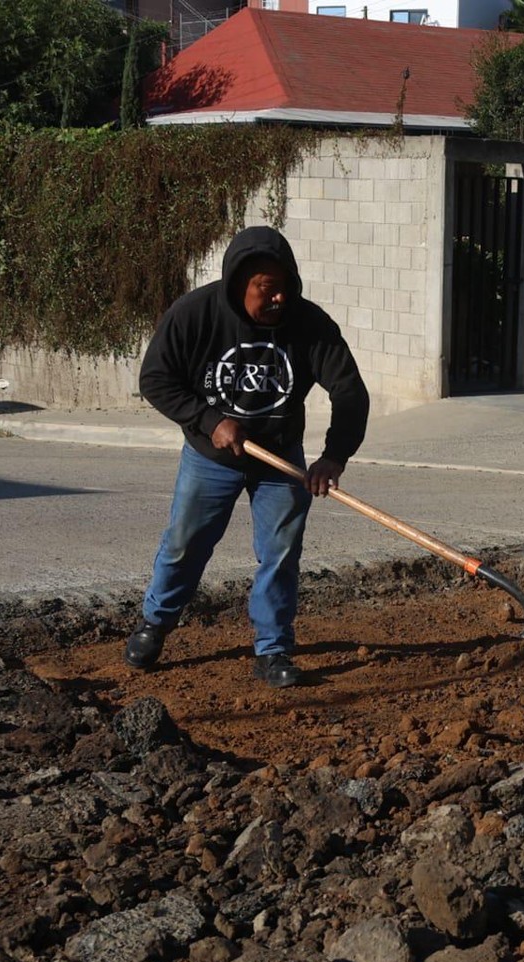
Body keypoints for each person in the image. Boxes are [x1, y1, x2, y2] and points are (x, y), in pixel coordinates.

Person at [124, 227, 369, 687]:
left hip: (279, 457)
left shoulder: (309, 324)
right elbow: (156, 379)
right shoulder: (195, 315)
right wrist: (209, 419)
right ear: (239, 282)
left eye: (284, 286)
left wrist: (334, 457)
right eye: (265, 287)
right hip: (209, 457)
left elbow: (350, 392)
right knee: (185, 542)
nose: (277, 298)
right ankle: (155, 623)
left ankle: (273, 649)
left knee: (279, 552)